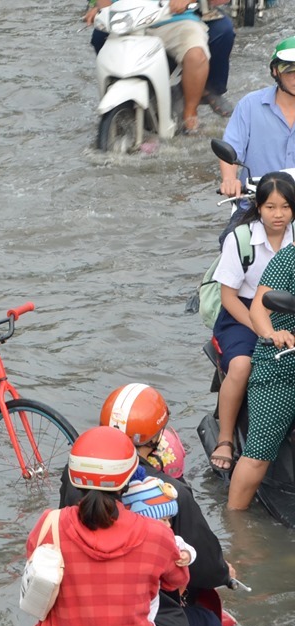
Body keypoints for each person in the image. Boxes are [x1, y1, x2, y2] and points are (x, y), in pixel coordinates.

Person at [60, 384, 235, 626]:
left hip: (78, 607)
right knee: (207, 621)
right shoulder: (170, 497)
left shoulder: (73, 478)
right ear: (153, 438)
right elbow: (197, 567)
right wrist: (223, 574)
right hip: (147, 612)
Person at [28, 426, 189, 626]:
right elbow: (176, 580)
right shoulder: (158, 535)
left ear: (74, 477)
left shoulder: (50, 525)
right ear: (128, 478)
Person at [210, 172, 295, 471]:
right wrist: (262, 329)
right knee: (242, 364)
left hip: (289, 310)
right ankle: (225, 438)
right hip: (241, 314)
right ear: (259, 207)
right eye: (270, 207)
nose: (278, 215)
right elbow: (228, 297)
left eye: (285, 207)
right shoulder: (241, 239)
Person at [229, 190, 295, 509]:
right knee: (258, 456)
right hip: (281, 364)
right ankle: (235, 525)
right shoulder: (287, 260)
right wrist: (273, 334)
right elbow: (259, 307)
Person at [86, 1, 235, 118]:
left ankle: (190, 114)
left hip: (173, 19)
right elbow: (103, 4)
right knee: (100, 38)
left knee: (196, 55)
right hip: (128, 23)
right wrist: (100, 9)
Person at [218, 36, 295, 199]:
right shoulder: (250, 106)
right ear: (276, 71)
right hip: (255, 204)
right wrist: (229, 179)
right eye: (290, 70)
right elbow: (231, 148)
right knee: (236, 226)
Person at [121, 469, 197, 626]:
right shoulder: (160, 541)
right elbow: (178, 579)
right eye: (163, 519)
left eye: (169, 519)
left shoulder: (173, 539)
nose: (169, 524)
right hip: (154, 600)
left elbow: (189, 548)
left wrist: (187, 555)